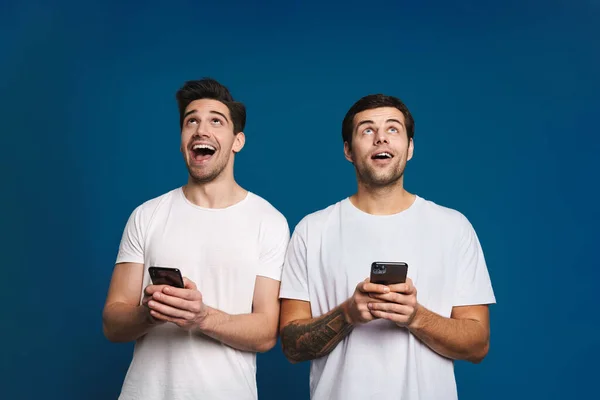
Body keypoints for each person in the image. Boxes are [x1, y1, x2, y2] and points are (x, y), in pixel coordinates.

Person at [278, 94, 496, 400]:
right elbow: (290, 346)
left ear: (409, 148)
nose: (380, 137)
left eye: (393, 129)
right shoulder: (312, 230)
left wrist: (416, 316)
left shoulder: (453, 227)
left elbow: (478, 345)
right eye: (367, 130)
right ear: (348, 151)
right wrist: (348, 314)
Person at [102, 78, 290, 400]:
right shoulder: (147, 215)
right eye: (192, 121)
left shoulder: (269, 221)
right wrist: (149, 312)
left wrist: (201, 317)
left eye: (216, 121)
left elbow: (266, 332)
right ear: (182, 141)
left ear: (237, 141)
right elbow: (113, 323)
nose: (201, 130)